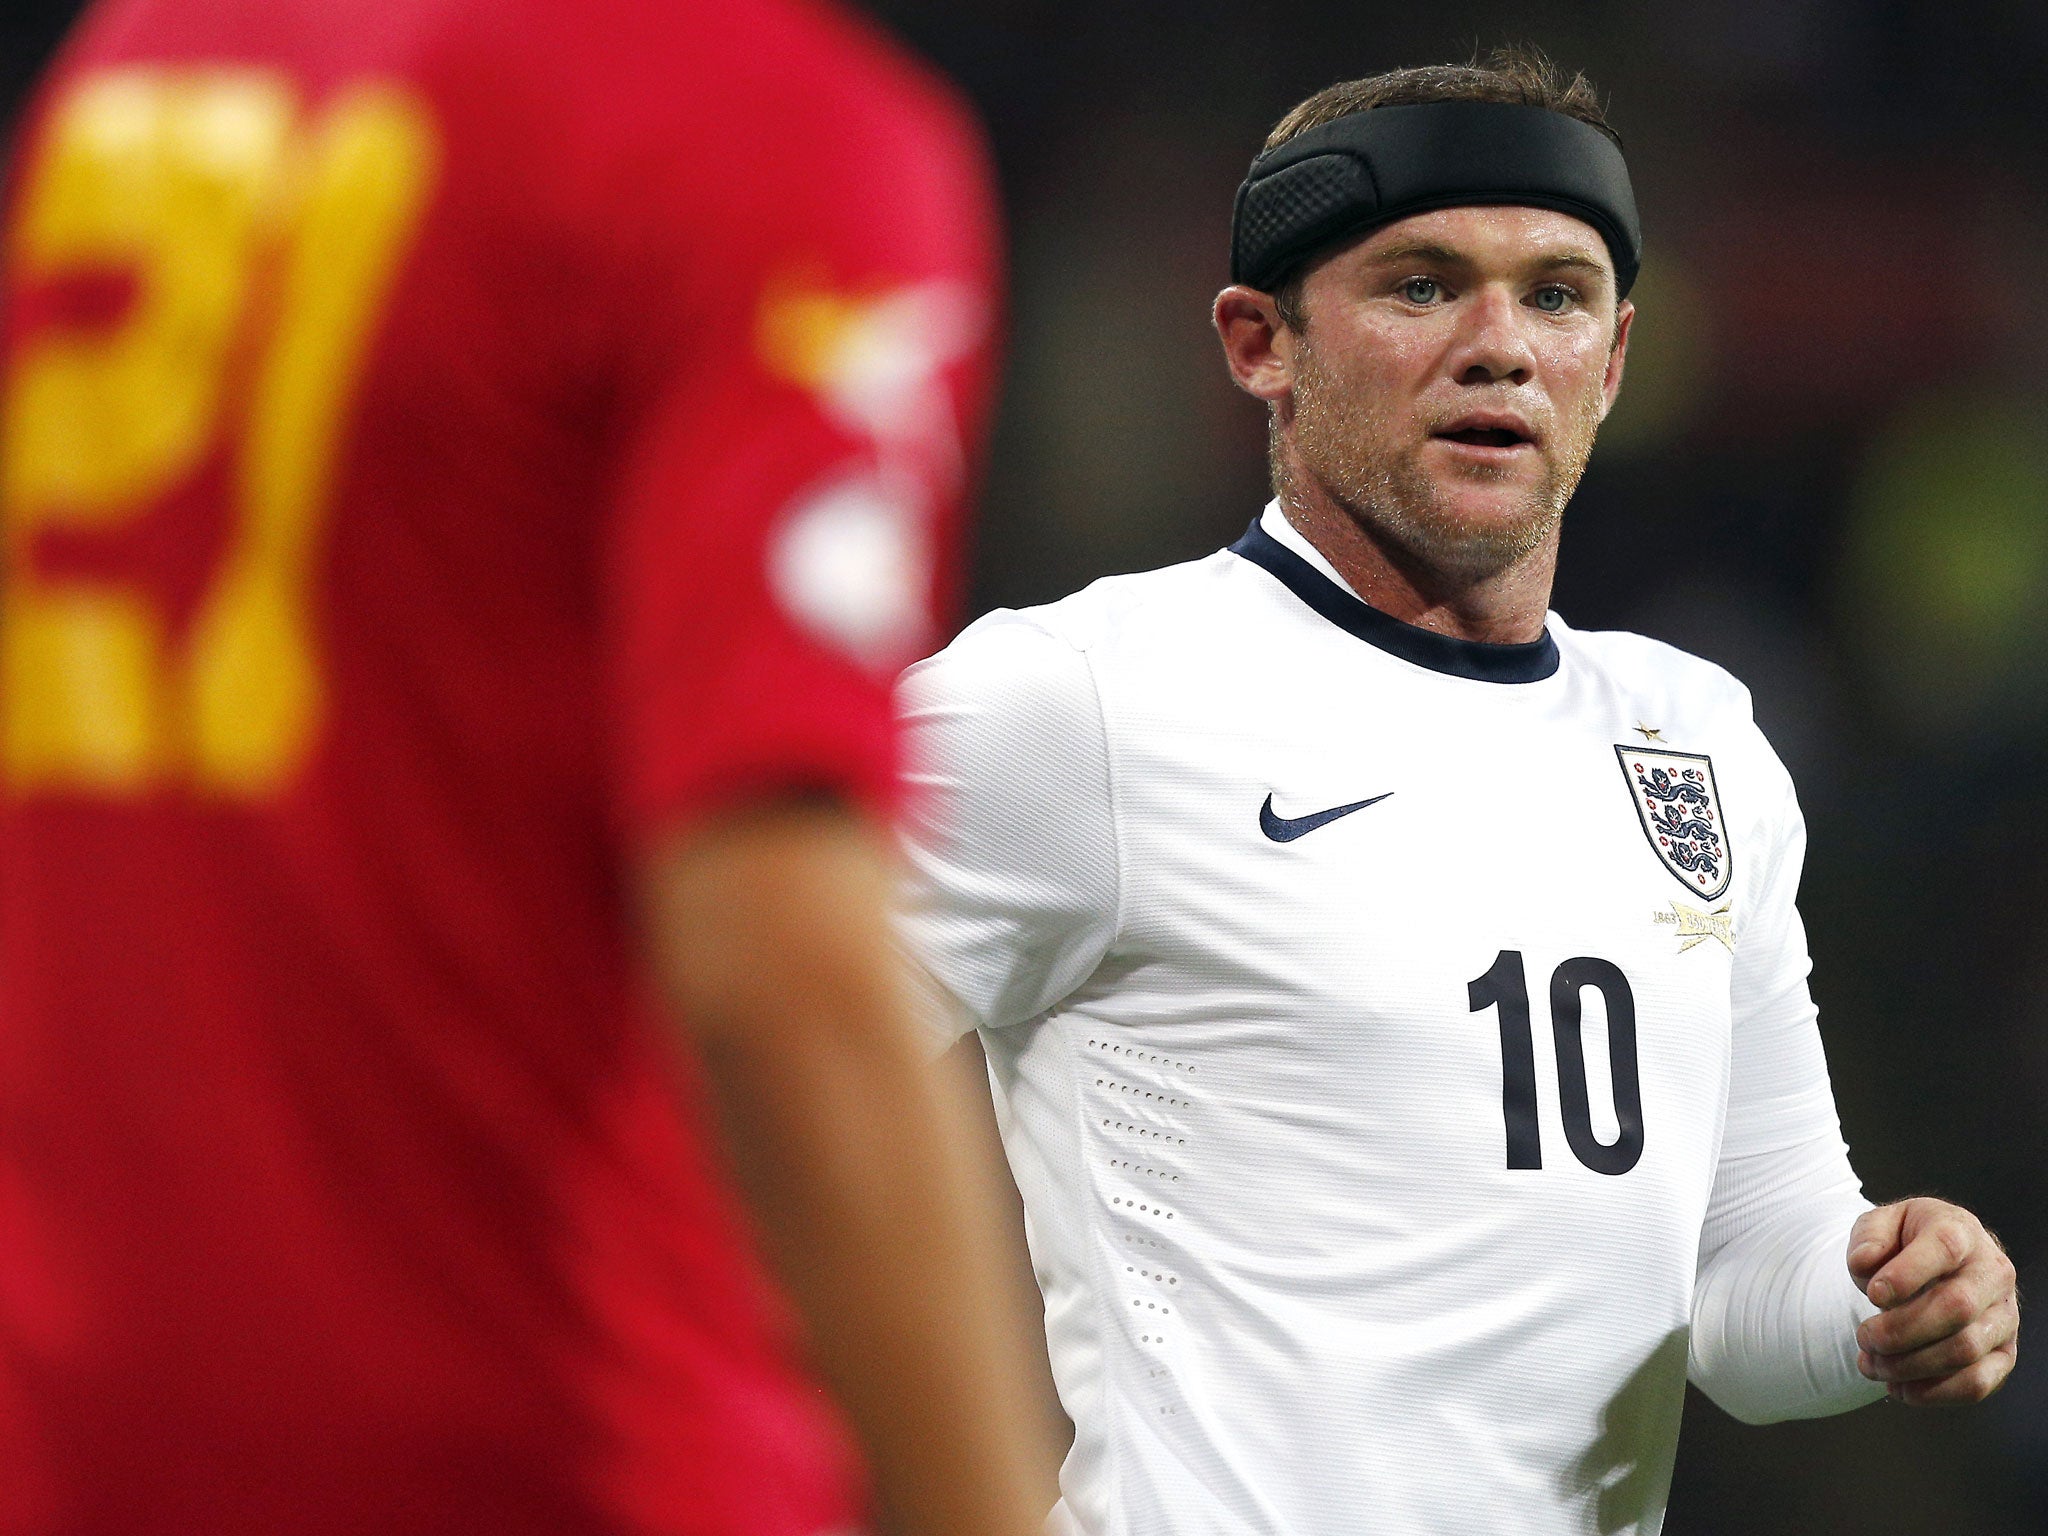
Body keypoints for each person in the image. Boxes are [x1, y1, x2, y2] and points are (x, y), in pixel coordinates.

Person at [896, 50, 2019, 1536]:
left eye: (1555, 294)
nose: (1500, 343)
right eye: (1422, 286)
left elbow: (1747, 1287)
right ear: (1259, 344)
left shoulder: (1698, 743)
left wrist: (1881, 1299)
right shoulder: (1081, 700)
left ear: (1612, 363)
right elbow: (733, 1038)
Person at [0, 1, 1053, 1534]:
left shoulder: (148, 65)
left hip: (94, 1448)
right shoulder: (764, 134)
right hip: (550, 1452)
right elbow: (773, 943)